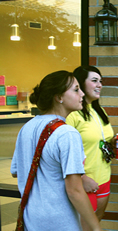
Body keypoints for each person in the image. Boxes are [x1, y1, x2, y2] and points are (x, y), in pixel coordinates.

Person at [10, 71, 101, 231]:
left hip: (31, 220)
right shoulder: (67, 133)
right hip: (59, 222)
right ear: (59, 97)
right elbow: (75, 191)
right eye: (75, 89)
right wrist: (96, 228)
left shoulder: (27, 127)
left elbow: (16, 171)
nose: (81, 94)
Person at [66, 65, 114, 230]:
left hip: (104, 178)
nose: (99, 85)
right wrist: (83, 178)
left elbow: (100, 142)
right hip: (83, 183)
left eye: (101, 81)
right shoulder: (72, 114)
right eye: (94, 81)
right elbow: (63, 153)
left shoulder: (100, 111)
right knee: (85, 227)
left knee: (96, 221)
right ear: (80, 84)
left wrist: (116, 144)